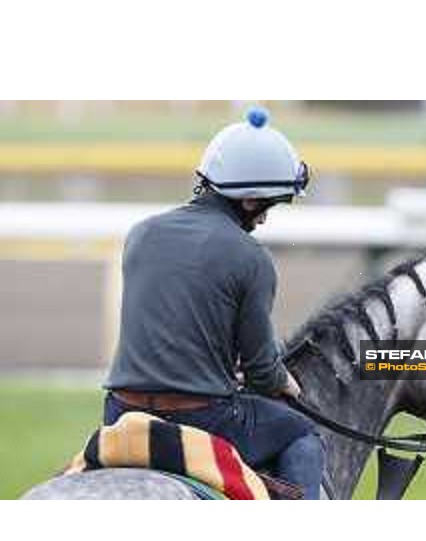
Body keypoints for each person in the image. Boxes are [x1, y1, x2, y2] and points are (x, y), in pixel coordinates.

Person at [103, 107, 324, 499]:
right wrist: (286, 382)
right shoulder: (251, 257)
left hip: (120, 414)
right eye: (269, 205)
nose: (265, 220)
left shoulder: (140, 234)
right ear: (251, 199)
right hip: (202, 421)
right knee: (301, 432)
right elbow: (261, 372)